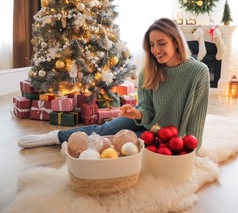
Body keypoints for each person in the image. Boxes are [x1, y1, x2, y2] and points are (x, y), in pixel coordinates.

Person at [18, 17, 209, 149]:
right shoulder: (149, 70)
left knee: (124, 143)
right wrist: (138, 113)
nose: (156, 50)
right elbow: (147, 108)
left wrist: (192, 151)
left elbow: (197, 120)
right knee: (105, 129)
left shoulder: (198, 72)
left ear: (175, 42)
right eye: (151, 45)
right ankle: (55, 137)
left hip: (165, 135)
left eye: (161, 43)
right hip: (145, 120)